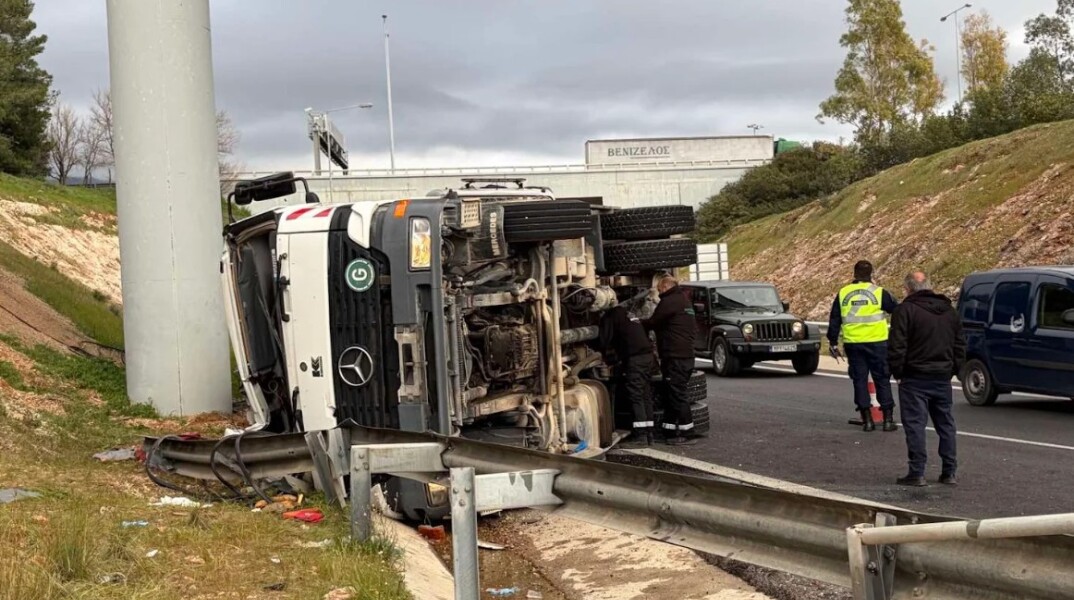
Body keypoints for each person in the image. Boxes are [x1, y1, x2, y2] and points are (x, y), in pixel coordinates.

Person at [888, 271, 965, 487]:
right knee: (946, 425)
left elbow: (897, 346)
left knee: (915, 425)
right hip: (941, 377)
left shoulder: (905, 311)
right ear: (930, 286)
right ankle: (949, 471)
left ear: (908, 288)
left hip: (914, 377)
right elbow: (960, 344)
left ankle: (917, 472)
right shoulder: (949, 311)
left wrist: (898, 373)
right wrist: (952, 370)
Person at [828, 260, 899, 432]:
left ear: (854, 273)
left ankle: (867, 420)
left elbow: (835, 319)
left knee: (859, 380)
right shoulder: (879, 292)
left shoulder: (843, 293)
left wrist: (832, 342)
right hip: (877, 342)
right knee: (882, 379)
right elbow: (897, 310)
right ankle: (888, 419)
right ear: (871, 274)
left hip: (854, 344)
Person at [643, 275, 699, 445]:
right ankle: (668, 430)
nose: (658, 293)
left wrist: (636, 322)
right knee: (672, 394)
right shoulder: (684, 300)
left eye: (660, 289)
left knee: (677, 394)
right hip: (685, 355)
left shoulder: (670, 301)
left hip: (675, 356)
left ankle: (687, 432)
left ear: (666, 287)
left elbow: (653, 321)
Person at [599, 303, 656, 448]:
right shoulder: (629, 314)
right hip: (648, 357)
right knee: (645, 394)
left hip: (635, 359)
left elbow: (604, 340)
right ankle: (649, 434)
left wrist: (605, 356)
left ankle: (641, 436)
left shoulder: (610, 316)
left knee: (636, 395)